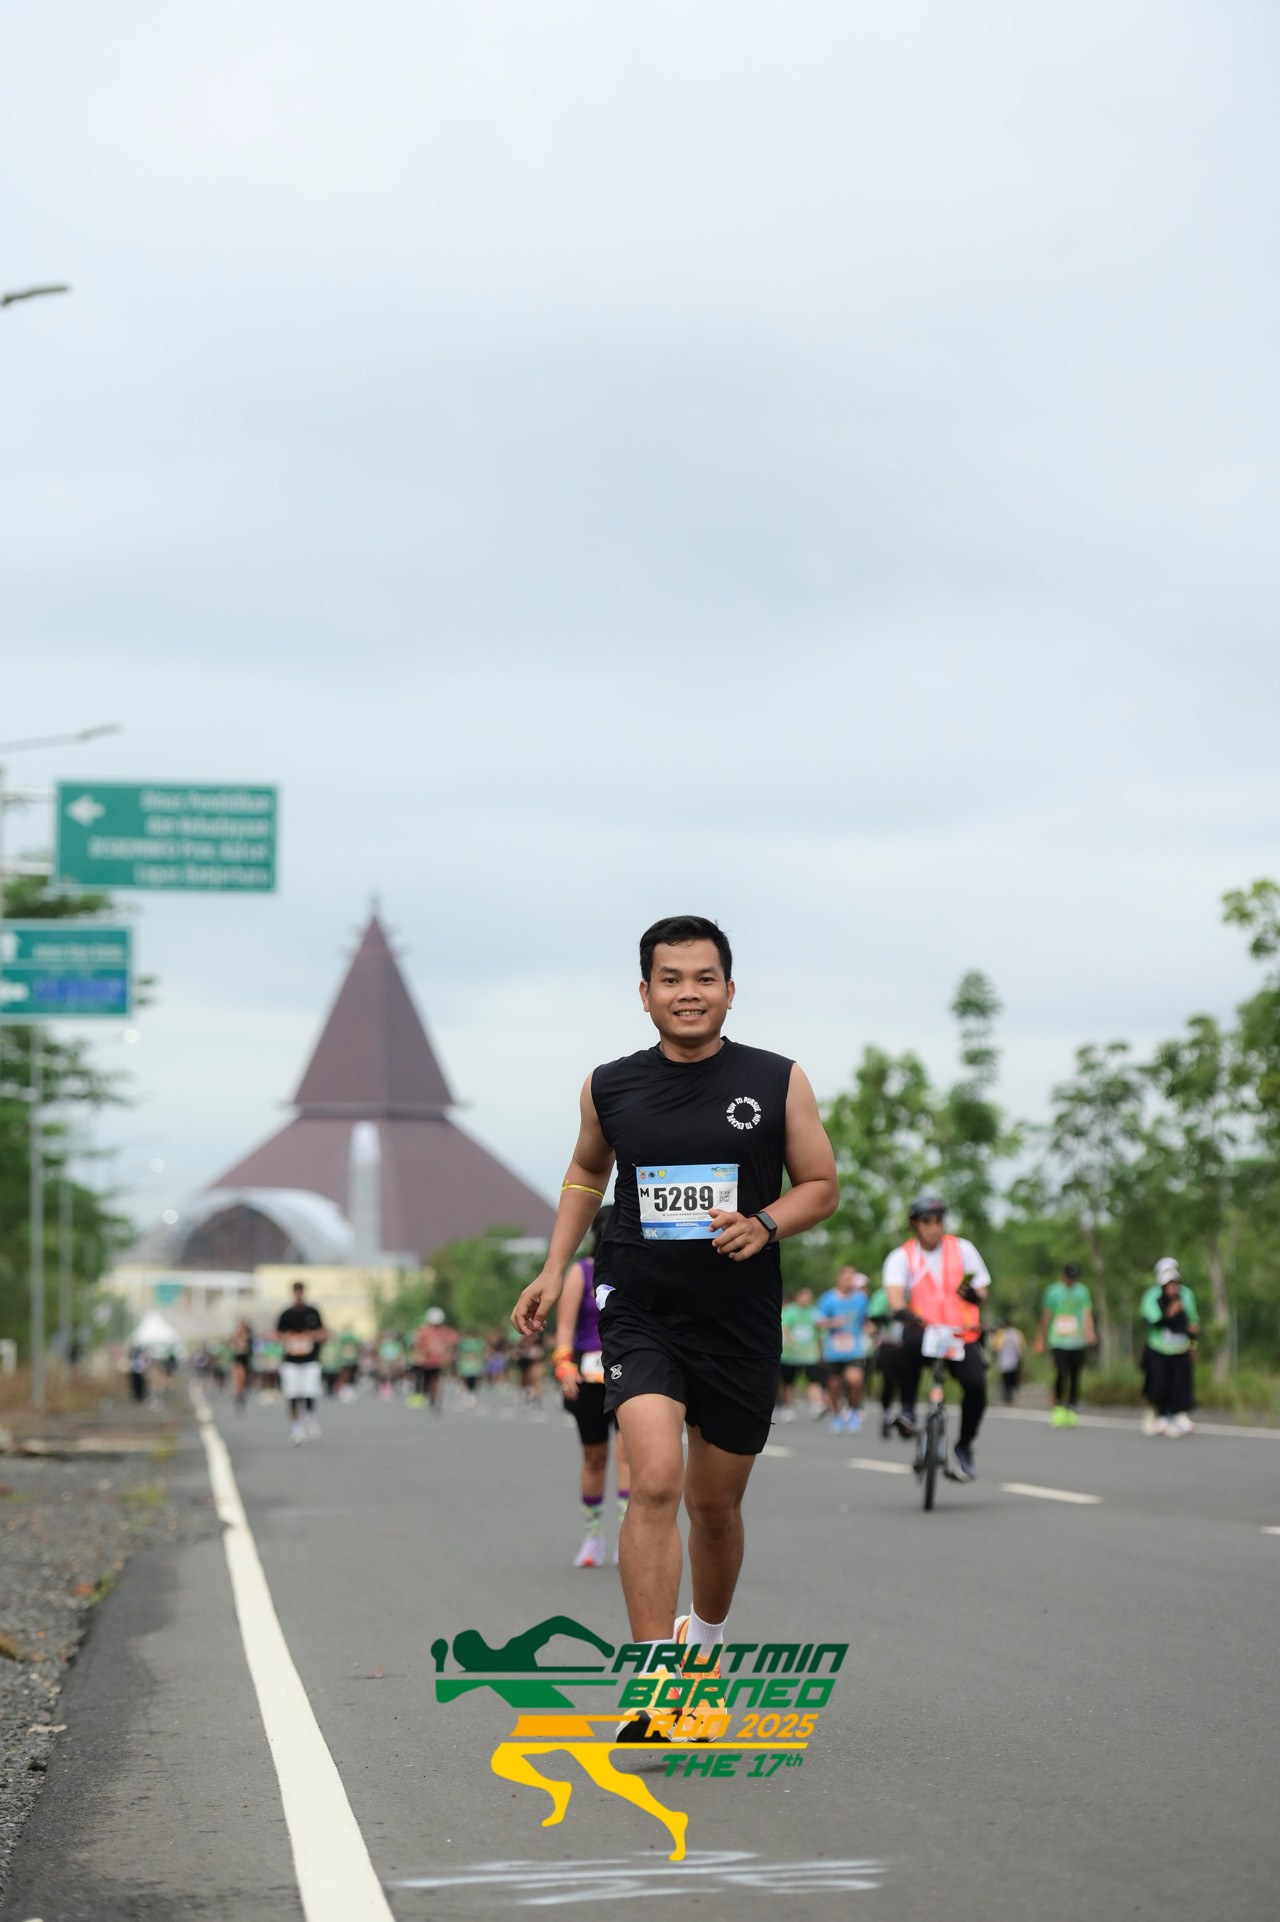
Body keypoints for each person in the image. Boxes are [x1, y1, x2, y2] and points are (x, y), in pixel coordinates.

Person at [511, 914, 839, 1743]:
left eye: (703, 978)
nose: (687, 993)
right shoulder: (609, 1086)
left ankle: (707, 1644)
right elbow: (587, 1171)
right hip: (640, 1307)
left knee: (715, 1508)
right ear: (644, 993)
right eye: (670, 979)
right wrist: (554, 1266)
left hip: (738, 1319)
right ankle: (659, 1688)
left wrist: (764, 1224)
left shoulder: (777, 1080)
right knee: (654, 1479)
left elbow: (821, 1184)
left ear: (729, 989)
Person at [884, 1191, 991, 1482]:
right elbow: (895, 1295)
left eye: (939, 1220)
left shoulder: (963, 1249)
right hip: (924, 1331)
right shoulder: (902, 1256)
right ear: (915, 1224)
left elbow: (982, 1290)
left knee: (977, 1386)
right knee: (902, 1344)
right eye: (927, 1221)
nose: (934, 1227)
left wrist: (975, 1295)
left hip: (961, 1335)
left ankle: (964, 1446)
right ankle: (907, 1411)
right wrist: (901, 1310)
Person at [553, 1207, 631, 1567]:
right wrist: (564, 1366)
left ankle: (628, 1539)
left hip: (630, 1371)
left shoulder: (637, 1267)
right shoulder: (581, 1272)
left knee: (628, 1456)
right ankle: (593, 1536)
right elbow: (565, 1327)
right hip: (588, 1377)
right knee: (595, 1458)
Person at [1139, 1258, 1199, 1437]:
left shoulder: (1186, 1295)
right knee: (1159, 1385)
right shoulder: (1153, 1296)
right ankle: (1160, 1414)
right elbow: (1152, 1321)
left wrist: (1193, 1345)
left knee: (1180, 1385)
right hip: (1158, 1349)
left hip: (1180, 1349)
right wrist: (1170, 1313)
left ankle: (1177, 1416)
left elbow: (1193, 1324)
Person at [1034, 1263, 1096, 1426]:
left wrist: (1090, 1332)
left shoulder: (1082, 1291)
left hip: (1077, 1341)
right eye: (1069, 1277)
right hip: (1058, 1340)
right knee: (1061, 1372)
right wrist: (1040, 1338)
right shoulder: (1053, 1292)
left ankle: (1072, 1408)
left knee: (1076, 1375)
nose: (1071, 1281)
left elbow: (1086, 1312)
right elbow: (1046, 1315)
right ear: (1063, 1276)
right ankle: (1059, 1407)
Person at [816, 1268, 869, 1433]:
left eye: (852, 1278)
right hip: (834, 1350)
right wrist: (833, 1322)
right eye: (846, 1278)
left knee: (855, 1380)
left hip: (854, 1348)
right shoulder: (828, 1299)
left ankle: (853, 1411)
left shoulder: (861, 1299)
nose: (849, 1281)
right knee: (834, 1384)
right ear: (839, 1279)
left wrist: (871, 1331)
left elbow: (866, 1319)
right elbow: (818, 1321)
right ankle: (836, 1415)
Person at [277, 1281, 327, 1444]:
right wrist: (290, 1337)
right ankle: (296, 1428)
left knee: (310, 1392)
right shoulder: (286, 1314)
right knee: (292, 1394)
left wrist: (311, 1336)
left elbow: (323, 1333)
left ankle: (310, 1417)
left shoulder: (313, 1312)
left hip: (310, 1360)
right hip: (291, 1361)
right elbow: (278, 1335)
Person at [866, 1280, 912, 1438]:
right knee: (889, 1382)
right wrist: (892, 1316)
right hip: (888, 1345)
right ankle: (886, 1414)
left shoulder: (913, 1293)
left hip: (907, 1346)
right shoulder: (881, 1295)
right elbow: (873, 1317)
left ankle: (906, 1415)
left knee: (907, 1382)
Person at [778, 1287, 825, 1421]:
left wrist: (821, 1350)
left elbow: (821, 1331)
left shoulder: (815, 1313)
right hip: (790, 1355)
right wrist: (790, 1341)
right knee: (789, 1382)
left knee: (813, 1380)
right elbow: (784, 1326)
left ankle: (817, 1404)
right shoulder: (790, 1311)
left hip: (810, 1355)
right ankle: (789, 1406)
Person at [412, 1307, 458, 1413]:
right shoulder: (424, 1332)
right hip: (426, 1362)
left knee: (436, 1380)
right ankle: (430, 1395)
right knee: (427, 1380)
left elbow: (453, 1342)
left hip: (438, 1362)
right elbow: (418, 1346)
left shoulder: (445, 1331)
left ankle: (437, 1398)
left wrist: (447, 1352)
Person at [994, 1320, 1025, 1406]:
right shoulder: (1017, 1334)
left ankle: (1008, 1396)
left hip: (1006, 1361)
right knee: (1011, 1379)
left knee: (1006, 1380)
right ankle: (1009, 1396)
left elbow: (996, 1347)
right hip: (1013, 1361)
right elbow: (1021, 1347)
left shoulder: (1001, 1334)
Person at [456, 1330, 486, 1405]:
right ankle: (466, 1391)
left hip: (475, 1363)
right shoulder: (464, 1342)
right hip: (466, 1362)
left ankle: (472, 1392)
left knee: (475, 1378)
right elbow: (460, 1351)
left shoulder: (479, 1342)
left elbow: (482, 1352)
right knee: (464, 1378)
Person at [231, 1320, 254, 1407]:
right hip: (239, 1359)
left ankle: (241, 1393)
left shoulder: (248, 1337)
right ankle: (239, 1393)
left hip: (245, 1359)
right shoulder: (237, 1336)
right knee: (239, 1377)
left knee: (244, 1379)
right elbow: (234, 1346)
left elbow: (249, 1350)